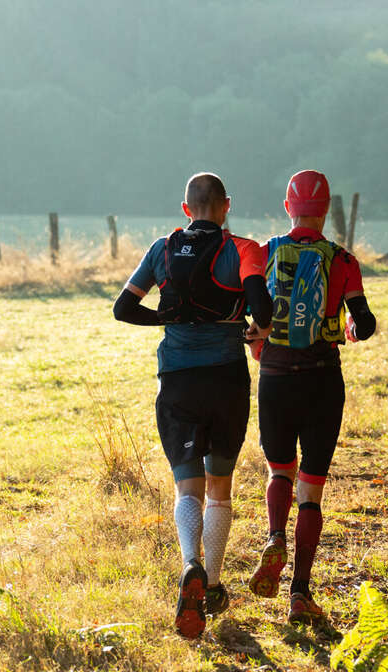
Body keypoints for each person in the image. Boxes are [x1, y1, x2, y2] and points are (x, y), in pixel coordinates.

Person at [114, 172, 273, 639]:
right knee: (220, 487)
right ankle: (216, 583)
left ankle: (190, 566)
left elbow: (123, 309)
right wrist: (256, 329)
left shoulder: (162, 249)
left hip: (177, 381)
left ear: (186, 209)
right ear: (227, 206)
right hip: (226, 379)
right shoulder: (244, 249)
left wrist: (162, 318)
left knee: (188, 487)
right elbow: (261, 309)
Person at [246, 170, 376, 624]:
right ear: (325, 211)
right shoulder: (342, 259)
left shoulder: (264, 253)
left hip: (276, 379)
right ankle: (300, 591)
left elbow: (248, 313)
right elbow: (365, 322)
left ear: (288, 207)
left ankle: (275, 537)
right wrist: (352, 329)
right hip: (323, 382)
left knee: (280, 470)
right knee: (312, 489)